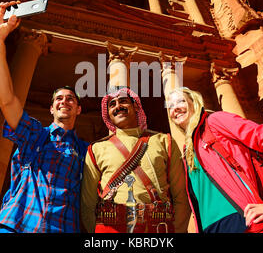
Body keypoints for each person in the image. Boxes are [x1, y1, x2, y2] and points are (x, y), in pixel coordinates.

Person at [0, 1, 88, 232]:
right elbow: (5, 98)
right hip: (15, 225)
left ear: (79, 109)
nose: (65, 101)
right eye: (59, 99)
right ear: (51, 108)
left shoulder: (86, 151)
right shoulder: (35, 134)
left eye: (71, 98)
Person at [166, 87, 263, 233]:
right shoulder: (187, 150)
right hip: (210, 228)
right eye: (170, 106)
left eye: (180, 101)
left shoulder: (215, 121)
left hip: (243, 221)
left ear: (194, 102)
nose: (175, 109)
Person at [80, 87, 190, 233]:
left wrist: (176, 230)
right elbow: (88, 202)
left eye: (123, 101)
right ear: (108, 115)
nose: (118, 106)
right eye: (112, 104)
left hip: (157, 227)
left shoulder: (164, 141)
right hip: (110, 228)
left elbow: (181, 195)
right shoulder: (96, 149)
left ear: (136, 106)